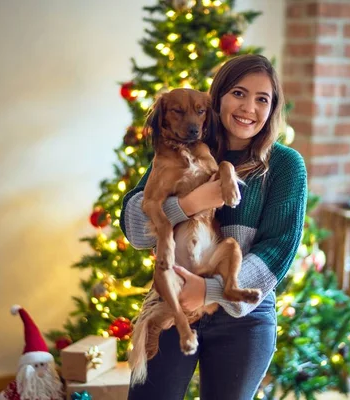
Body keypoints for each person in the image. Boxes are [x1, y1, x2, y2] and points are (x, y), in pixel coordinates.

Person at [120, 54, 308, 400]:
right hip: (171, 302)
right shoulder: (181, 148)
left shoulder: (285, 165)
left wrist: (209, 291)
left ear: (272, 109)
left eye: (262, 99)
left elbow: (278, 249)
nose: (248, 107)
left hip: (244, 318)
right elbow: (134, 225)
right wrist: (191, 203)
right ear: (218, 97)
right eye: (239, 93)